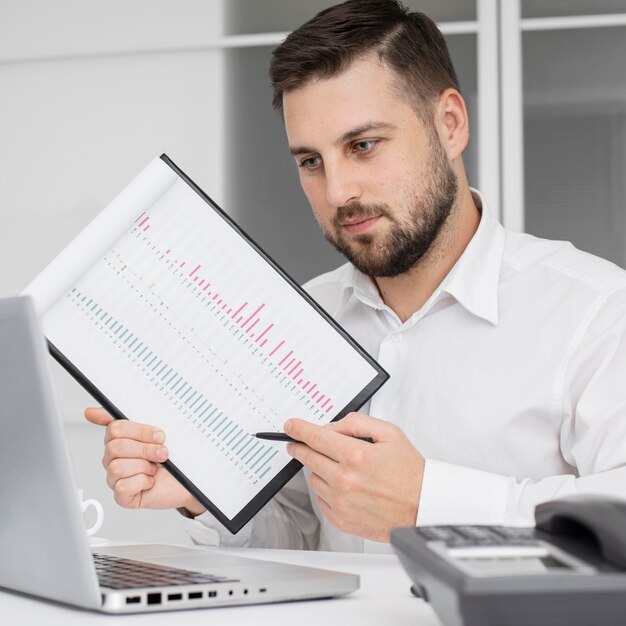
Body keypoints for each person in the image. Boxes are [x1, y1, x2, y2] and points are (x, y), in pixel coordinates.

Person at [85, 0, 626, 554]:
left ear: (450, 125)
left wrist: (428, 501)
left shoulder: (596, 314)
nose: (339, 191)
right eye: (311, 161)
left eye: (363, 145)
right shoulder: (295, 320)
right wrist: (206, 491)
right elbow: (290, 538)